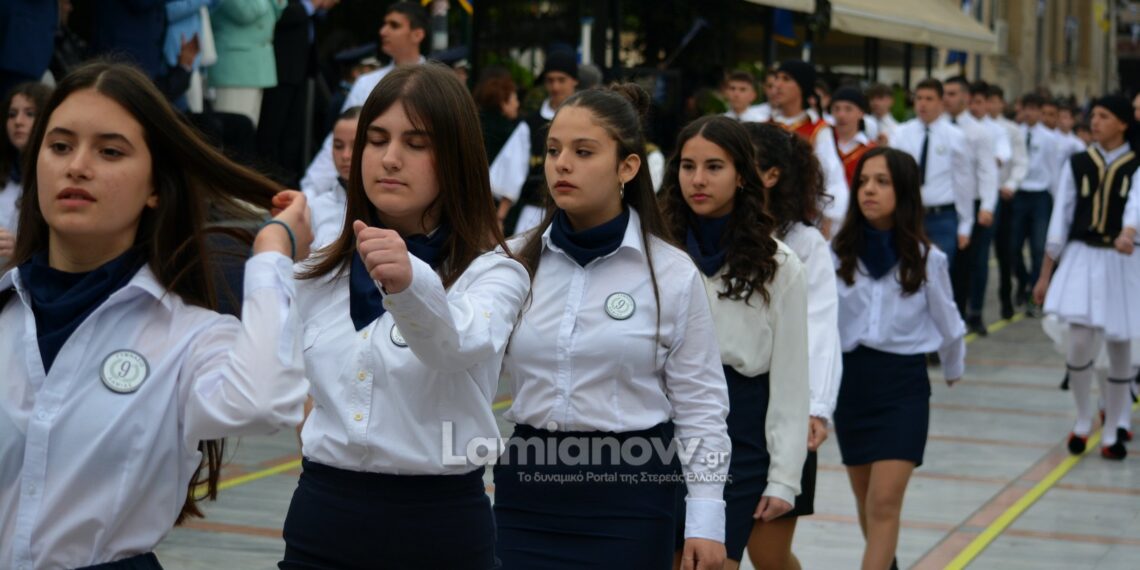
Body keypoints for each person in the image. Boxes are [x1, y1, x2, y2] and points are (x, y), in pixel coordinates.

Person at [0, 60, 312, 570]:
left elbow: (263, 404)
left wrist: (272, 254)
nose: (77, 166)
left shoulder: (189, 335)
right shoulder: (6, 313)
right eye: (59, 146)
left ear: (154, 188)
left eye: (110, 151)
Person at [281, 63, 529, 569]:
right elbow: (286, 386)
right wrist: (271, 255)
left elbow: (454, 344)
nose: (390, 158)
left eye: (416, 144)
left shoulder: (493, 272)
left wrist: (411, 280)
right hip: (323, 513)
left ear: (456, 157)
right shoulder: (319, 271)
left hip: (438, 522)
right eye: (376, 140)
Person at [495, 84, 730, 570]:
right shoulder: (513, 261)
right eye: (553, 151)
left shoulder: (671, 272)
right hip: (526, 491)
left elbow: (701, 403)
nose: (562, 165)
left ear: (627, 167)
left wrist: (707, 518)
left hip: (632, 496)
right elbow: (466, 368)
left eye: (583, 152)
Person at [660, 116, 809, 570]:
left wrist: (784, 478)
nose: (698, 180)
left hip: (739, 430)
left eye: (714, 167)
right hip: (661, 424)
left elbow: (791, 379)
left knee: (712, 562)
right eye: (688, 166)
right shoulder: (655, 249)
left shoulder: (778, 263)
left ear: (742, 175)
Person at [832, 147, 966, 570]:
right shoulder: (835, 253)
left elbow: (950, 322)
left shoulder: (927, 259)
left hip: (902, 387)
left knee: (884, 501)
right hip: (852, 386)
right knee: (865, 499)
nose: (868, 190)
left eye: (882, 182)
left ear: (904, 191)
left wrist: (953, 366)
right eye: (863, 182)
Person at [743, 122, 843, 570]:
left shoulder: (804, 243)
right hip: (717, 409)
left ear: (772, 175)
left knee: (769, 556)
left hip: (782, 408)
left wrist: (815, 408)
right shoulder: (699, 235)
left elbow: (820, 328)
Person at [1033, 95, 1140, 460]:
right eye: (1093, 115)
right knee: (1079, 341)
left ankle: (1112, 430)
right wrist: (1045, 275)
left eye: (1104, 116)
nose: (1095, 121)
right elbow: (1060, 218)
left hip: (1121, 261)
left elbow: (1136, 204)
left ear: (1123, 123)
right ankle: (1082, 418)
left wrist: (1129, 232)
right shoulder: (1078, 162)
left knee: (1120, 343)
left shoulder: (1135, 164)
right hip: (1082, 257)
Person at [299, 1, 427, 199]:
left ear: (417, 34)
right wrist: (310, 191)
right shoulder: (367, 83)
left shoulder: (436, 85)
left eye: (394, 25)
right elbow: (342, 137)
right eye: (384, 24)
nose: (383, 31)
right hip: (370, 189)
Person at [890, 78, 972, 267]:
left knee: (938, 272)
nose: (923, 104)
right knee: (905, 269)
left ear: (941, 102)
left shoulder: (955, 136)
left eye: (929, 99)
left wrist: (965, 224)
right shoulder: (901, 133)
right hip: (908, 214)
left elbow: (963, 182)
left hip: (942, 216)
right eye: (919, 98)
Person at [942, 76, 1000, 325]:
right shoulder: (939, 128)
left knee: (970, 263)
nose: (947, 99)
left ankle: (970, 313)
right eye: (945, 93)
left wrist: (987, 206)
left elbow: (987, 170)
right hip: (945, 203)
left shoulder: (979, 132)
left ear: (965, 98)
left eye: (952, 94)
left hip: (973, 203)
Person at [768, 60, 849, 237]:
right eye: (777, 78)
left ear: (802, 86)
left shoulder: (818, 130)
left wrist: (828, 220)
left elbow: (832, 179)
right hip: (766, 218)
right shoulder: (765, 126)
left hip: (802, 220)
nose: (777, 84)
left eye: (786, 79)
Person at [506, 49, 579, 236]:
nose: (555, 87)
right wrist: (499, 217)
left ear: (574, 81)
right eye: (550, 80)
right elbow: (512, 171)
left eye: (561, 80)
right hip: (535, 214)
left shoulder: (588, 122)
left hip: (577, 215)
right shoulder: (531, 124)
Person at [1010, 93, 1065, 317]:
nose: (1030, 113)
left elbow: (1054, 170)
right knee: (1013, 247)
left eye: (1035, 109)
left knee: (1038, 247)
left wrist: (1057, 201)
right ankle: (1023, 281)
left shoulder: (1049, 138)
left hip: (1040, 196)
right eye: (1027, 108)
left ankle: (1035, 295)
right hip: (1019, 193)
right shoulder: (1015, 133)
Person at [987, 85, 1029, 320]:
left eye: (993, 101)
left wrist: (1011, 184)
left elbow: (1020, 161)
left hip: (1004, 197)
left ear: (1002, 103)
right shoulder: (974, 128)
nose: (989, 106)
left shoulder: (1011, 130)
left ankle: (1007, 296)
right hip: (982, 197)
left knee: (1007, 251)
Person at [1, 82, 52, 262]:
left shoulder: (54, 178)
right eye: (12, 114)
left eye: (29, 114)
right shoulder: (5, 172)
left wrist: (20, 251)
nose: (18, 122)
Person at [473, 73, 530, 231]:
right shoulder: (516, 131)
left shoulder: (473, 126)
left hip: (474, 208)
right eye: (514, 99)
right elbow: (513, 176)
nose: (517, 104)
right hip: (501, 213)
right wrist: (499, 218)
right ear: (503, 103)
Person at [307, 106, 359, 250]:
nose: (345, 155)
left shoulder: (389, 210)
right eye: (338, 146)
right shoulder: (315, 208)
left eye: (355, 146)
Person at [830, 86, 876, 189]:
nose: (841, 115)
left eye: (848, 109)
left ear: (861, 113)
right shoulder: (823, 145)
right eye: (836, 109)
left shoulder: (871, 151)